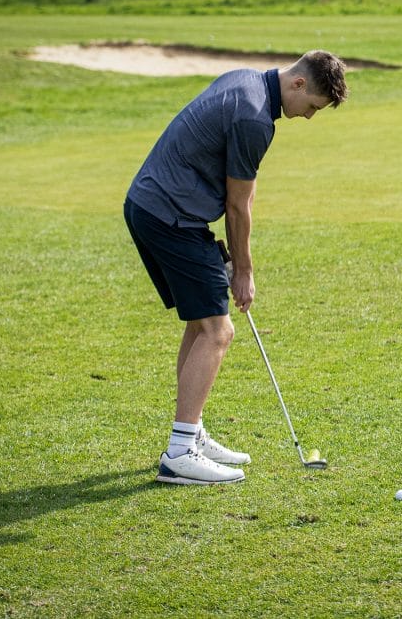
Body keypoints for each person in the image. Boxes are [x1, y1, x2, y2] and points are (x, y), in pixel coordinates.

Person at [124, 50, 349, 485]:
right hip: (170, 216)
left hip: (155, 206)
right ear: (299, 84)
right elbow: (238, 203)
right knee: (218, 330)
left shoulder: (246, 80)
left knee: (200, 322)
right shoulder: (255, 118)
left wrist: (223, 257)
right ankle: (180, 452)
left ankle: (191, 431)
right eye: (313, 107)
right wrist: (242, 269)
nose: (308, 117)